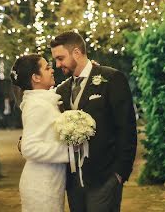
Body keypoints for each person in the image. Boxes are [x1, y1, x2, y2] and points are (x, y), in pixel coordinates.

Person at [52, 31, 137, 212]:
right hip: (73, 182)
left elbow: (126, 128)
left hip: (105, 178)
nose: (57, 64)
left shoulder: (111, 79)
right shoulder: (62, 91)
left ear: (76, 52)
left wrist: (119, 173)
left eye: (60, 58)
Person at [11, 53, 69, 212]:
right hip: (41, 185)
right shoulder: (36, 106)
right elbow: (29, 148)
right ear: (36, 77)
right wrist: (69, 152)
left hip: (50, 182)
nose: (52, 70)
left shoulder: (43, 100)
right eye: (47, 68)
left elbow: (59, 90)